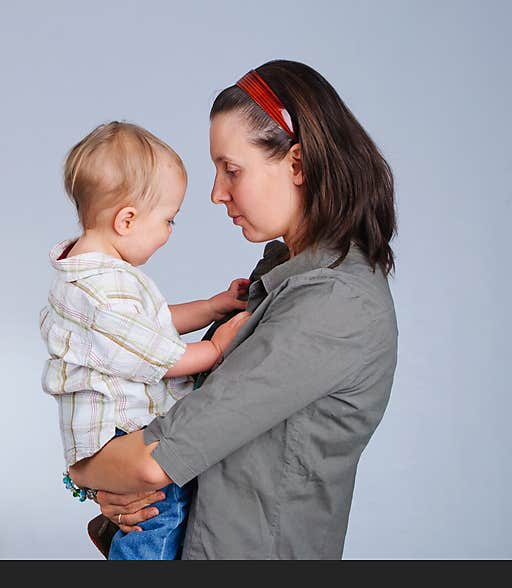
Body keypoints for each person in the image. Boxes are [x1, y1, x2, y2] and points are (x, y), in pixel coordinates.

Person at [68, 60, 399, 559]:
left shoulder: (335, 302)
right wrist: (115, 488)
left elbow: (159, 458)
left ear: (297, 164)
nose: (216, 192)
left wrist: (84, 467)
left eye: (232, 169)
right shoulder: (286, 275)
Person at [40, 121, 251, 559]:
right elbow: (153, 353)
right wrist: (214, 349)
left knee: (152, 520)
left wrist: (211, 307)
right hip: (121, 428)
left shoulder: (91, 275)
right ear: (128, 219)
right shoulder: (105, 286)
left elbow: (148, 327)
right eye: (168, 219)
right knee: (159, 518)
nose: (171, 230)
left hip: (108, 433)